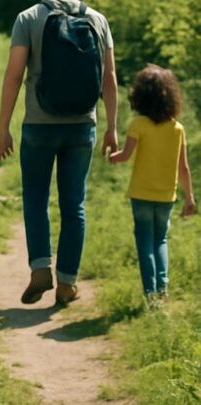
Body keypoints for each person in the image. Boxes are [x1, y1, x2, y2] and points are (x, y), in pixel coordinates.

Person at [0, 0, 118, 305]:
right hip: (81, 127)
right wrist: (112, 127)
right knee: (73, 204)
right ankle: (67, 283)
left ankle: (40, 269)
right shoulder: (97, 20)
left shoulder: (29, 18)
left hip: (39, 125)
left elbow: (13, 75)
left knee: (35, 199)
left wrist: (3, 127)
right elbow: (109, 78)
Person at [109, 64, 196, 299]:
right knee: (160, 240)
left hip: (141, 194)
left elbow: (125, 156)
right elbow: (183, 168)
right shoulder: (177, 128)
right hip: (166, 195)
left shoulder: (138, 124)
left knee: (144, 241)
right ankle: (162, 290)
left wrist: (111, 156)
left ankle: (150, 294)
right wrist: (190, 198)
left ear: (141, 95)